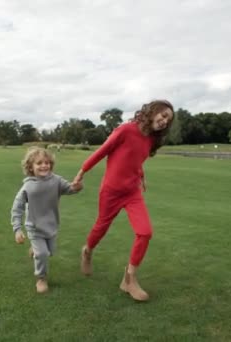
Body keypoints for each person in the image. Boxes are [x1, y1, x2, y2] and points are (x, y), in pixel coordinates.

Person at [72, 100, 174, 301]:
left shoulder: (151, 140)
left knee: (145, 232)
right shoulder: (125, 130)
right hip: (111, 192)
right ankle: (87, 251)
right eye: (162, 115)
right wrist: (81, 173)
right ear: (152, 113)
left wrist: (142, 176)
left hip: (132, 192)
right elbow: (102, 151)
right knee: (101, 227)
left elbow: (135, 159)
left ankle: (129, 279)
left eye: (168, 120)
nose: (164, 121)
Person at [11, 147, 83, 293]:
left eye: (47, 162)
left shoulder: (56, 180)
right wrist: (17, 229)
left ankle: (35, 250)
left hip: (51, 225)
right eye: (39, 163)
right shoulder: (28, 186)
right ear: (30, 167)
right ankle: (41, 278)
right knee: (43, 254)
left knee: (49, 252)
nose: (44, 165)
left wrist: (77, 187)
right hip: (34, 227)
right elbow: (17, 208)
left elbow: (69, 189)